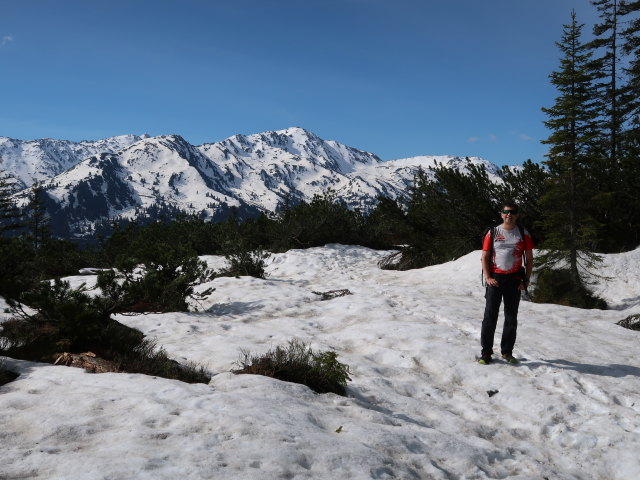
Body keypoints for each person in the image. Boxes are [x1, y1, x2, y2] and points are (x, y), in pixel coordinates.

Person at [479, 201, 534, 365]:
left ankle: (507, 352)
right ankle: (486, 353)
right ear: (501, 214)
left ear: (517, 214)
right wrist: (488, 277)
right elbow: (485, 257)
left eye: (513, 212)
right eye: (506, 212)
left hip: (514, 280)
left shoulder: (523, 233)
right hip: (495, 279)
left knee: (511, 317)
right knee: (490, 317)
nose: (509, 214)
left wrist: (526, 281)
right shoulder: (493, 232)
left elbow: (530, 259)